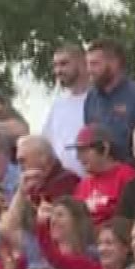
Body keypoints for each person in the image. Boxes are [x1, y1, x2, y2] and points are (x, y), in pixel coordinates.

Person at [83, 39, 135, 159]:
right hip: (102, 175)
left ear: (115, 63)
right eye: (87, 64)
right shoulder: (91, 98)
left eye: (94, 64)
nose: (89, 70)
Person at [74, 125, 135, 226]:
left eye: (84, 150)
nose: (79, 157)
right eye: (78, 151)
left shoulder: (129, 178)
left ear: (105, 148)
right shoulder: (82, 185)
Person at [41, 44, 90, 175]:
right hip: (64, 182)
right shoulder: (58, 104)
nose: (58, 71)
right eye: (55, 65)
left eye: (64, 64)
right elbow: (47, 143)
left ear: (82, 64)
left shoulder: (97, 100)